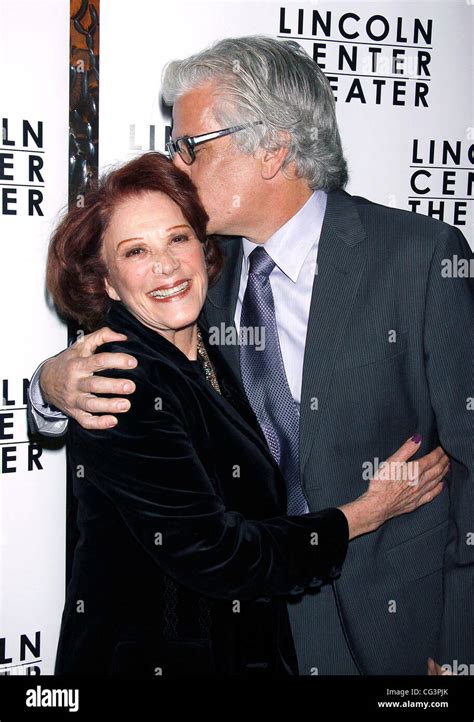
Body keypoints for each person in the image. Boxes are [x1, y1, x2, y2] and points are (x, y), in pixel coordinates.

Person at [30, 36, 473, 676]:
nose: (176, 166)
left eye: (190, 145)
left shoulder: (418, 257)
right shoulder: (195, 269)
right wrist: (49, 383)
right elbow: (127, 379)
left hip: (393, 636)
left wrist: (457, 648)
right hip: (249, 636)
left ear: (272, 147)